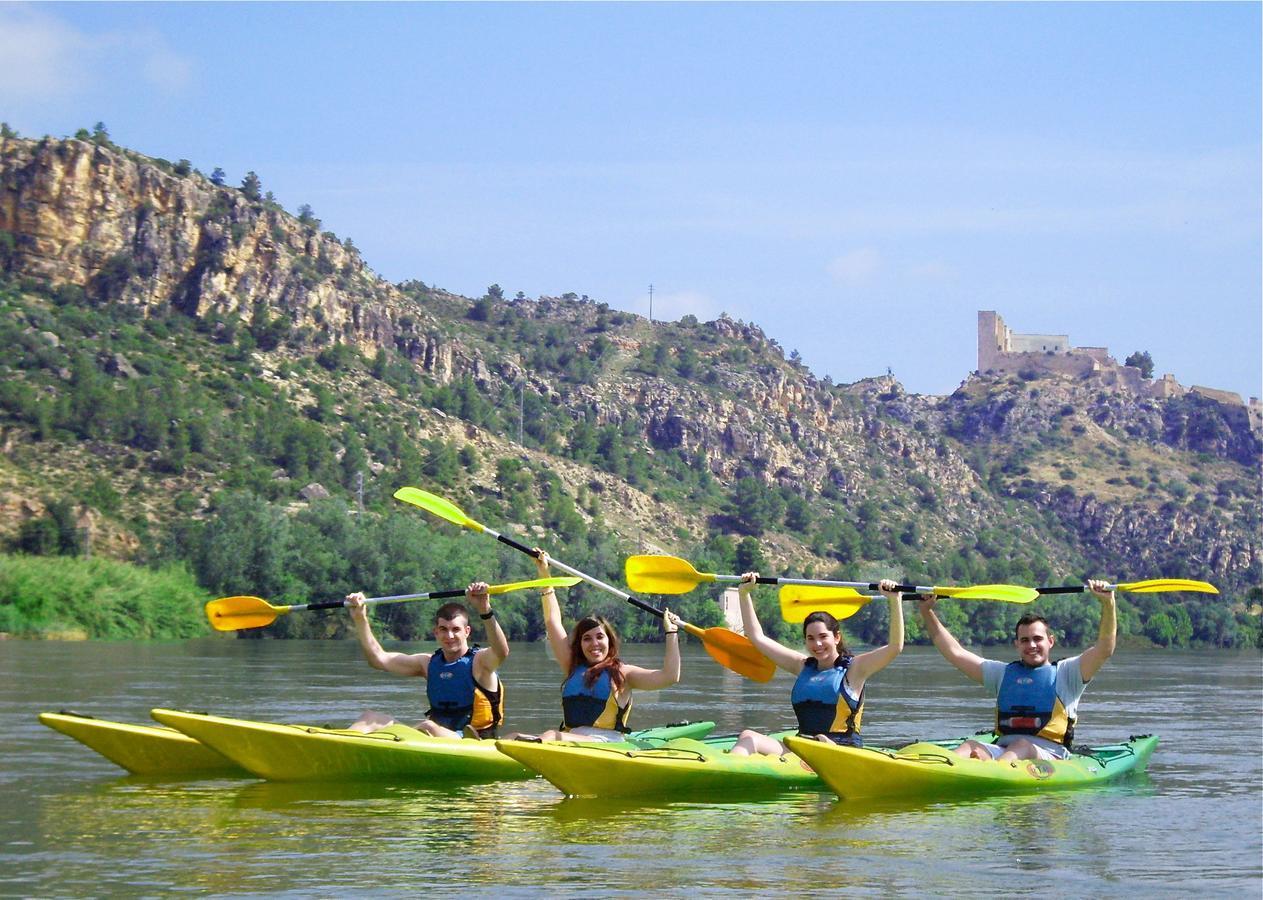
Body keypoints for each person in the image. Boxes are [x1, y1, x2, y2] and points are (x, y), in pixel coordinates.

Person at [917, 579, 1117, 762]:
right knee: (970, 745)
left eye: (1037, 639)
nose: (1031, 645)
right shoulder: (1002, 674)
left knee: (1022, 745)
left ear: (1050, 641)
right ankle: (942, 768)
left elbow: (1104, 649)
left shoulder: (1069, 673)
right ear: (1016, 645)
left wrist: (1108, 604)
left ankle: (991, 772)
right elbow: (955, 653)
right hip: (1004, 749)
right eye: (1024, 640)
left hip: (1050, 754)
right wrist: (927, 611)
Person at [730, 574, 906, 756]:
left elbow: (895, 647)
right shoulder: (801, 666)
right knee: (748, 735)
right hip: (803, 748)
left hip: (840, 751)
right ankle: (729, 772)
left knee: (821, 742)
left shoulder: (855, 669)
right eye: (811, 638)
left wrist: (894, 600)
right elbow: (757, 637)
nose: (817, 645)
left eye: (823, 637)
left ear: (837, 637)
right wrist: (744, 593)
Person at [516, 550, 682, 743]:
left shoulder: (623, 674)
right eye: (587, 638)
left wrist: (671, 633)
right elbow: (553, 622)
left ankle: (535, 749)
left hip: (606, 742)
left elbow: (670, 676)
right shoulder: (572, 665)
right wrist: (544, 573)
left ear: (609, 641)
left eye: (599, 637)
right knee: (515, 735)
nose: (594, 643)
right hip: (568, 739)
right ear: (580, 644)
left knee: (551, 735)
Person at [344, 581, 509, 739]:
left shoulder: (480, 662)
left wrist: (484, 609)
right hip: (430, 738)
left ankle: (391, 739)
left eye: (456, 630)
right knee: (370, 717)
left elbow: (501, 651)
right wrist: (360, 618)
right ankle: (337, 744)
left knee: (428, 726)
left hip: (474, 742)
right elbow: (378, 659)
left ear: (467, 632)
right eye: (443, 629)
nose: (449, 636)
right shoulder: (428, 664)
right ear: (436, 632)